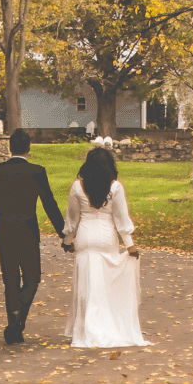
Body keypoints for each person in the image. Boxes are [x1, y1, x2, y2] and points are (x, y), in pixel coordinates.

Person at [0, 128, 67, 345]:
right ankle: (18, 317)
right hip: (27, 230)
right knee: (32, 277)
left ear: (9, 147)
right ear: (29, 148)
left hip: (4, 230)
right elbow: (50, 204)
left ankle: (14, 324)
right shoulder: (37, 172)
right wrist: (64, 234)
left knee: (11, 279)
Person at [62, 146, 148, 348]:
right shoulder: (115, 187)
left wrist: (68, 240)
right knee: (104, 282)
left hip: (85, 236)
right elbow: (120, 217)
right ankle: (104, 323)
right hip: (106, 237)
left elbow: (73, 218)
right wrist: (129, 245)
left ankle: (86, 328)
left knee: (85, 284)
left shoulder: (77, 187)